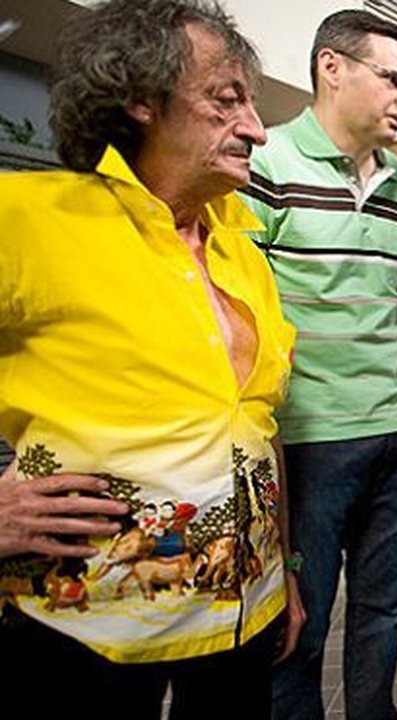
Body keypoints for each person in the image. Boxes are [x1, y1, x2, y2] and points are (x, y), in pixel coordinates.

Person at [0, 0, 303, 716]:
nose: (257, 130)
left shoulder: (245, 254)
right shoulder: (29, 218)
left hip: (242, 626)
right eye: (226, 101)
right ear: (139, 97)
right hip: (82, 634)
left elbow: (259, 427)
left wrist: (283, 570)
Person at [238, 10, 397, 720]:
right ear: (332, 68)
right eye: (394, 79)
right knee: (299, 615)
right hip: (310, 436)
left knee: (384, 603)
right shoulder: (266, 163)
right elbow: (244, 308)